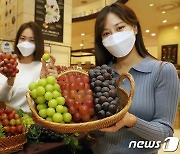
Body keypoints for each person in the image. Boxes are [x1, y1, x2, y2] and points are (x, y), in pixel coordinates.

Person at [91, 2, 180, 154]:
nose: (114, 37)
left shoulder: (162, 71)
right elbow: (95, 132)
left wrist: (130, 121)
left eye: (120, 28)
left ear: (135, 28)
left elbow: (165, 134)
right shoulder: (101, 75)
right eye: (106, 33)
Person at [0, 21, 58, 113]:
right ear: (17, 40)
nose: (26, 43)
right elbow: (1, 97)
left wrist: (51, 83)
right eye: (22, 38)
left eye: (32, 40)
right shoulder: (9, 65)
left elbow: (47, 103)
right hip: (11, 120)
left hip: (34, 122)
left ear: (38, 43)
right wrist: (10, 81)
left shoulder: (43, 69)